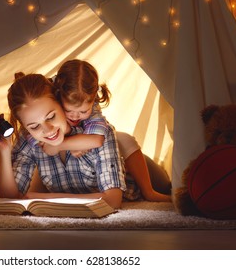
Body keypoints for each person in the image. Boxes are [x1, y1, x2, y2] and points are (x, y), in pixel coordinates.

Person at [0, 72, 126, 209]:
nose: (48, 130)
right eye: (34, 126)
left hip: (132, 173)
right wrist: (4, 150)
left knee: (128, 142)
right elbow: (9, 198)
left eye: (51, 117)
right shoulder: (28, 140)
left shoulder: (99, 133)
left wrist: (41, 197)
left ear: (60, 101)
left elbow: (113, 200)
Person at [46, 59, 171, 202]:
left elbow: (97, 138)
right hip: (93, 174)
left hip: (142, 170)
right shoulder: (49, 106)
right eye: (68, 110)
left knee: (122, 138)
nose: (75, 116)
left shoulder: (92, 110)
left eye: (83, 111)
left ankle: (149, 191)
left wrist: (73, 143)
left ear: (93, 101)